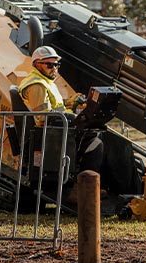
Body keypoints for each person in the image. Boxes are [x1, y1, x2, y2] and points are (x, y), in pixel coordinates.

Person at [18, 46, 104, 196]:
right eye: (49, 65)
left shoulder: (46, 82)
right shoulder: (37, 85)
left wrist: (71, 104)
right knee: (94, 143)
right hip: (51, 134)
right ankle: (82, 189)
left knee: (95, 136)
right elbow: (43, 116)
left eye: (57, 65)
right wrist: (72, 117)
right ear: (37, 64)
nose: (54, 68)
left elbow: (55, 107)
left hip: (58, 128)